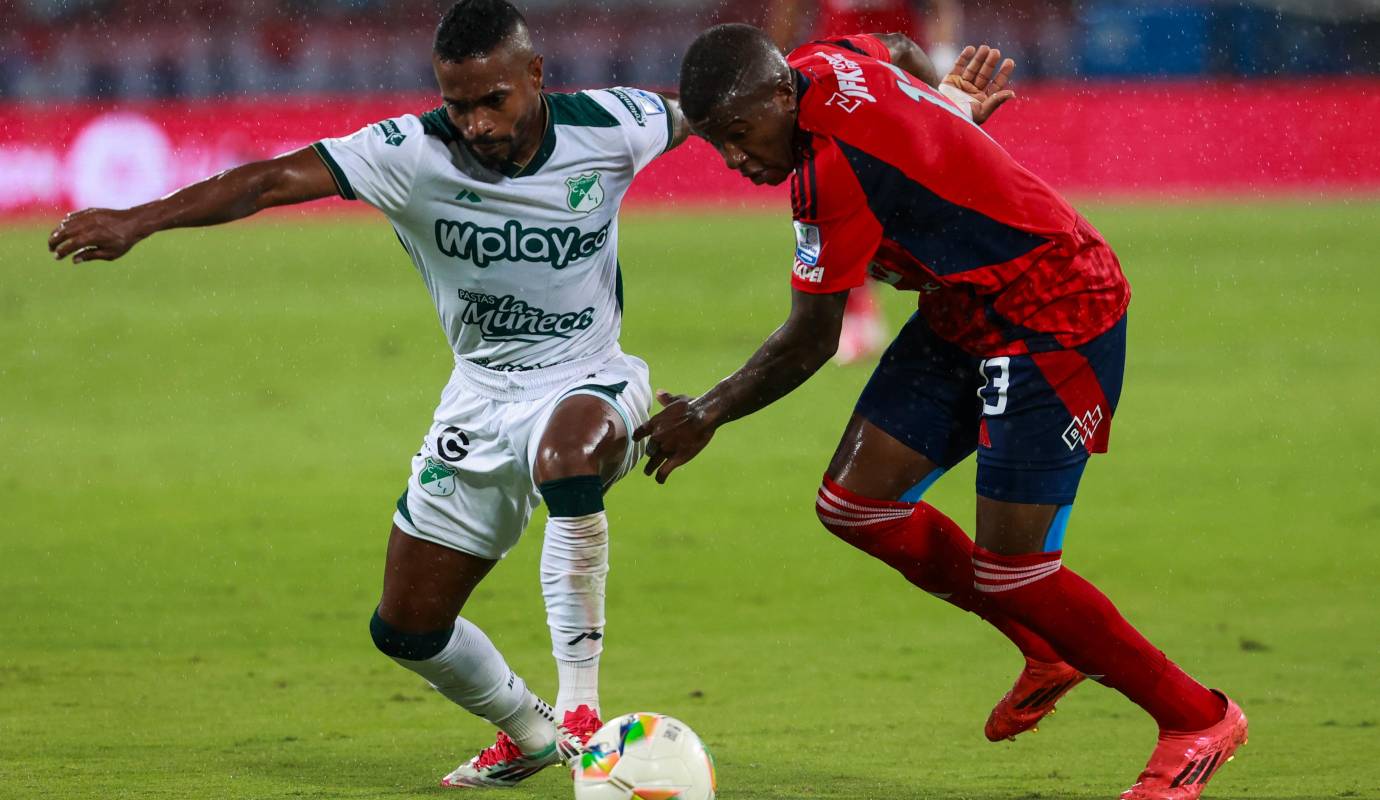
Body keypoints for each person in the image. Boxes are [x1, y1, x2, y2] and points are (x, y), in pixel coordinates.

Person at [47, 0, 692, 787]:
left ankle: (586, 718)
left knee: (567, 456)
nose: (479, 124)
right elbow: (269, 180)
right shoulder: (410, 152)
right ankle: (530, 732)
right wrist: (141, 219)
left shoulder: (615, 124)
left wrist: (852, 82)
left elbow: (727, 106)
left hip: (591, 375)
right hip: (482, 398)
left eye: (495, 100)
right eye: (459, 105)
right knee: (408, 628)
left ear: (535, 76)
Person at [638, 23, 1247, 800]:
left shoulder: (831, 169)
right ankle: (1046, 648)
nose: (734, 158)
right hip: (965, 308)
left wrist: (708, 411)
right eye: (718, 145)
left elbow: (809, 340)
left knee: (1015, 570)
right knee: (857, 505)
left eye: (740, 134)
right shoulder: (820, 62)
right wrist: (944, 109)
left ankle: (1197, 719)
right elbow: (890, 46)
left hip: (1052, 308)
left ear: (780, 95)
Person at [766, 0, 964, 364]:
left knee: (903, 192)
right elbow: (790, 10)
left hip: (895, 69)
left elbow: (939, 7)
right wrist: (773, 65)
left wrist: (942, 55)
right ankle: (854, 311)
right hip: (833, 74)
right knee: (838, 192)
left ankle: (944, 300)